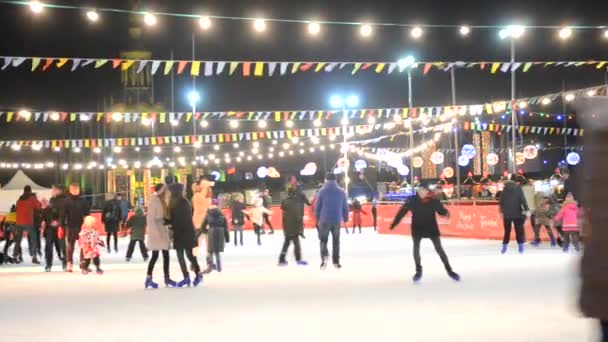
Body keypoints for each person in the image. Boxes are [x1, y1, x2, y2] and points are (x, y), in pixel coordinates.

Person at [390, 183, 459, 282]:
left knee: (438, 249)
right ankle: (418, 270)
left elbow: (441, 212)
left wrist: (445, 211)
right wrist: (394, 223)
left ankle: (449, 270)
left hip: (430, 228)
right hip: (418, 228)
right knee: (417, 248)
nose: (426, 196)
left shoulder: (432, 200)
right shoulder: (413, 200)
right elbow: (402, 212)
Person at [168, 183, 203, 288]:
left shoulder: (181, 203)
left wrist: (170, 223)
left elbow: (179, 219)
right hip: (183, 232)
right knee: (184, 256)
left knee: (187, 256)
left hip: (184, 232)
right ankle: (190, 276)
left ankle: (194, 275)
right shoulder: (180, 202)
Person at [314, 173, 349, 270]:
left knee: (323, 241)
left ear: (326, 180)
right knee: (336, 242)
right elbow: (345, 207)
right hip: (336, 220)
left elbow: (318, 206)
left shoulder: (322, 191)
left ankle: (324, 257)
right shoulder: (341, 191)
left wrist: (317, 218)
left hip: (324, 220)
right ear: (335, 180)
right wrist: (345, 218)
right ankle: (336, 261)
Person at [145, 184, 176, 289]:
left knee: (157, 255)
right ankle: (164, 278)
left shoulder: (157, 201)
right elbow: (157, 217)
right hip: (158, 232)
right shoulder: (156, 202)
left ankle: (150, 278)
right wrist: (167, 220)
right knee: (162, 255)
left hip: (159, 231)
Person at [278, 186, 308, 266]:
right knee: (296, 243)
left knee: (286, 243)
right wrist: (301, 229)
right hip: (295, 226)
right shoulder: (297, 202)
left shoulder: (284, 201)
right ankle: (298, 259)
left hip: (287, 226)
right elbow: (299, 216)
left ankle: (281, 259)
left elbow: (283, 209)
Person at [63, 183, 90, 272]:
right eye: (73, 189)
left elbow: (87, 214)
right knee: (70, 246)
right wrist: (62, 226)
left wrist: (87, 224)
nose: (75, 191)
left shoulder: (83, 201)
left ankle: (83, 262)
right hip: (70, 226)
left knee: (84, 245)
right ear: (70, 190)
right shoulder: (66, 201)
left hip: (82, 226)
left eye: (77, 189)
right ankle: (69, 263)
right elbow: (63, 215)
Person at [498, 177, 529, 254]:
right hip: (517, 213)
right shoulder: (518, 188)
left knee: (507, 231)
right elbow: (523, 200)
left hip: (507, 214)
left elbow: (501, 201)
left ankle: (504, 247)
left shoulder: (505, 189)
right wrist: (527, 209)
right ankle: (521, 247)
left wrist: (501, 212)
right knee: (519, 230)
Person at [199, 199, 229, 273]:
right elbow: (226, 227)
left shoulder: (208, 214)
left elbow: (202, 226)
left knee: (210, 251)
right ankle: (219, 267)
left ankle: (210, 267)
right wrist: (227, 238)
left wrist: (206, 231)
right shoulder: (222, 214)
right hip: (220, 233)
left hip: (211, 232)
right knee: (217, 251)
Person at [14, 185, 42, 264]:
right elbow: (39, 206)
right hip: (28, 222)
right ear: (30, 190)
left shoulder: (19, 199)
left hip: (19, 222)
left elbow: (16, 209)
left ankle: (15, 256)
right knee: (33, 239)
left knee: (18, 241)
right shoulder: (32, 198)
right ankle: (34, 257)